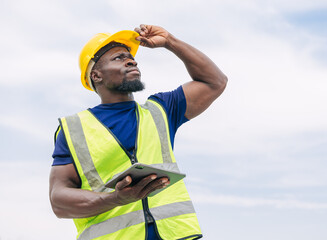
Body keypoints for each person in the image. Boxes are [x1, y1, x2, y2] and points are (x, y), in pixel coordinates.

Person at [49, 24, 227, 240]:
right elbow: (59, 200)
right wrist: (116, 198)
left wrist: (170, 41)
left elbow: (215, 81)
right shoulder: (73, 129)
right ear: (96, 75)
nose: (131, 60)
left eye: (130, 57)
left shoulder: (161, 110)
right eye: (118, 58)